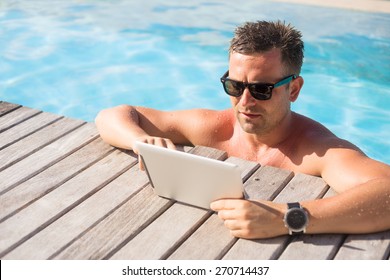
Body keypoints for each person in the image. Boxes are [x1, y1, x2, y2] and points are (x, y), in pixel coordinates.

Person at [95, 20, 390, 239]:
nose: (244, 101)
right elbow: (115, 115)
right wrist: (139, 141)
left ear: (294, 89)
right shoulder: (214, 128)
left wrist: (287, 218)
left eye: (261, 89)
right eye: (235, 86)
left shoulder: (317, 150)